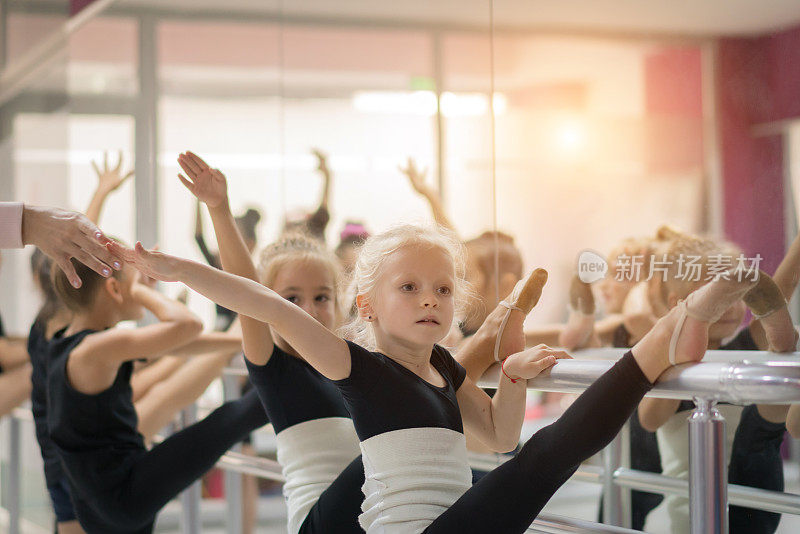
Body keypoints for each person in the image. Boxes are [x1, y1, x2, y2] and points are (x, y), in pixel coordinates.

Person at [110, 204, 758, 533]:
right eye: (411, 288)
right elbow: (256, 302)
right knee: (545, 462)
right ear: (365, 303)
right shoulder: (354, 363)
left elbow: (499, 438)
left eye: (444, 291)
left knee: (535, 458)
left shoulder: (446, 366)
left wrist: (515, 377)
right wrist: (176, 269)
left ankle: (675, 332)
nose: (430, 301)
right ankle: (674, 332)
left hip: (453, 525)